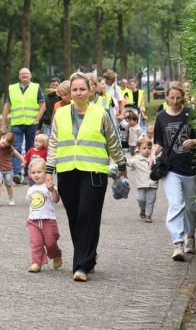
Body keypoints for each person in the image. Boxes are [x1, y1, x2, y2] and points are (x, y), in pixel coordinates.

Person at [45, 72, 127, 282]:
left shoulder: (101, 113)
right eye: (75, 89)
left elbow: (112, 140)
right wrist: (48, 170)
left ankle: (80, 265)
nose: (79, 93)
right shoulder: (61, 114)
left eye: (82, 89)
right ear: (69, 92)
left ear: (90, 90)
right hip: (67, 171)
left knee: (87, 216)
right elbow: (53, 142)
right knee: (74, 218)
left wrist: (121, 164)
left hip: (94, 172)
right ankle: (88, 257)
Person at [153, 82, 196, 261]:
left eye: (178, 98)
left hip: (191, 167)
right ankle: (178, 244)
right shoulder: (161, 117)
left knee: (192, 207)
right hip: (170, 168)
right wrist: (153, 154)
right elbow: (159, 141)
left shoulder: (192, 114)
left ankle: (190, 235)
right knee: (176, 204)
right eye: (171, 98)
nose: (175, 101)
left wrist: (195, 142)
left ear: (183, 97)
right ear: (166, 97)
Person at [1, 68, 46, 183]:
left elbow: (43, 106)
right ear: (19, 76)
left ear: (30, 75)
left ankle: (27, 174)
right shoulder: (12, 88)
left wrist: (37, 120)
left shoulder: (36, 87)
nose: (24, 75)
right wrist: (3, 123)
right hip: (17, 123)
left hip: (31, 123)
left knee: (30, 148)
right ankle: (16, 173)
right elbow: (7, 106)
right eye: (22, 74)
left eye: (26, 73)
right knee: (15, 147)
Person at [24, 158, 62, 273]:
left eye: (39, 172)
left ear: (46, 172)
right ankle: (36, 263)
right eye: (33, 173)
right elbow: (32, 204)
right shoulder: (31, 189)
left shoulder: (49, 187)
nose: (36, 175)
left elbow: (56, 200)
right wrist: (29, 217)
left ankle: (56, 254)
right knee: (36, 243)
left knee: (50, 242)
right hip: (34, 221)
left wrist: (52, 191)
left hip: (48, 220)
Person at [0, 132, 24, 206]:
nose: (3, 145)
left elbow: (16, 153)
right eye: (3, 143)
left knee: (8, 185)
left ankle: (11, 199)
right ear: (2, 137)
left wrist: (23, 160)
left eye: (5, 145)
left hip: (8, 169)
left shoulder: (9, 147)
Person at [129, 138, 156, 223]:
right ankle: (142, 209)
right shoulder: (136, 159)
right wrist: (121, 159)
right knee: (140, 199)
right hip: (141, 184)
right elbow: (128, 162)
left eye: (149, 148)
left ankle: (148, 215)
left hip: (152, 184)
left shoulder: (154, 158)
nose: (147, 150)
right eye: (144, 148)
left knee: (151, 200)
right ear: (139, 149)